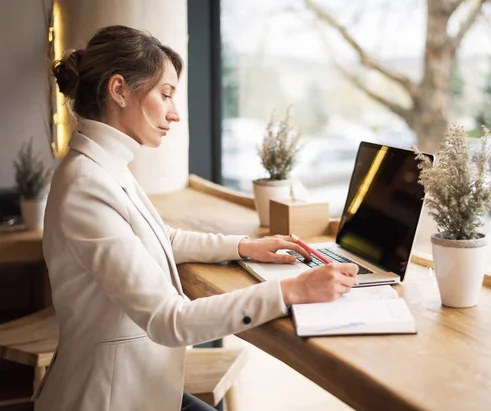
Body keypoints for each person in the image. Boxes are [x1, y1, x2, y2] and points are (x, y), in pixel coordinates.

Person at [36, 25, 358, 411]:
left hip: (142, 384)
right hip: (111, 397)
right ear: (119, 90)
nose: (174, 114)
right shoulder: (87, 183)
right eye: (165, 94)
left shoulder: (105, 165)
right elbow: (169, 320)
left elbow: (162, 239)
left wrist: (244, 247)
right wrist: (292, 291)